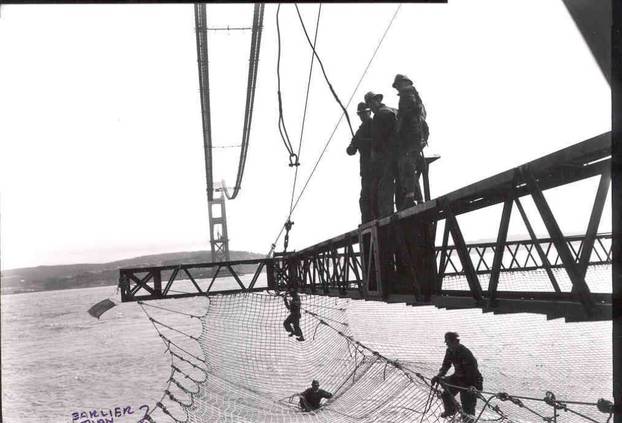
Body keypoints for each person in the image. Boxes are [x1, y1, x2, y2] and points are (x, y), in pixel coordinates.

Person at [392, 74, 428, 210]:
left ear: (405, 83)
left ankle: (411, 197)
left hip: (411, 138)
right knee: (410, 167)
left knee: (408, 166)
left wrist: (398, 131)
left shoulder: (407, 96)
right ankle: (416, 198)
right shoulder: (415, 96)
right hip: (414, 137)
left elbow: (405, 117)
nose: (398, 88)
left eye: (399, 84)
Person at [431, 332, 484, 420]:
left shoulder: (465, 353)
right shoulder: (449, 351)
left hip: (472, 381)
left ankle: (468, 420)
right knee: (446, 394)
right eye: (447, 343)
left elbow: (472, 372)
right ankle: (451, 410)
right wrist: (438, 376)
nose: (447, 345)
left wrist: (471, 386)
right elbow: (446, 365)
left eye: (449, 343)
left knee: (467, 409)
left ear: (455, 341)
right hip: (458, 377)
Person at [364, 91, 398, 219]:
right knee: (397, 184)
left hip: (387, 156)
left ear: (377, 100)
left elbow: (380, 139)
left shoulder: (381, 114)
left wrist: (376, 152)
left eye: (372, 102)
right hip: (395, 154)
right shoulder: (391, 111)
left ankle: (386, 213)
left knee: (385, 186)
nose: (371, 106)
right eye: (369, 104)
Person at [346, 102, 374, 224]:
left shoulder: (375, 125)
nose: (362, 116)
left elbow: (378, 141)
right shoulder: (360, 131)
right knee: (364, 199)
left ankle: (374, 221)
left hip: (377, 168)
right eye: (360, 114)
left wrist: (362, 142)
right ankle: (366, 222)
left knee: (375, 197)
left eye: (364, 113)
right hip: (366, 170)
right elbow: (351, 149)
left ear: (369, 112)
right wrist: (352, 146)